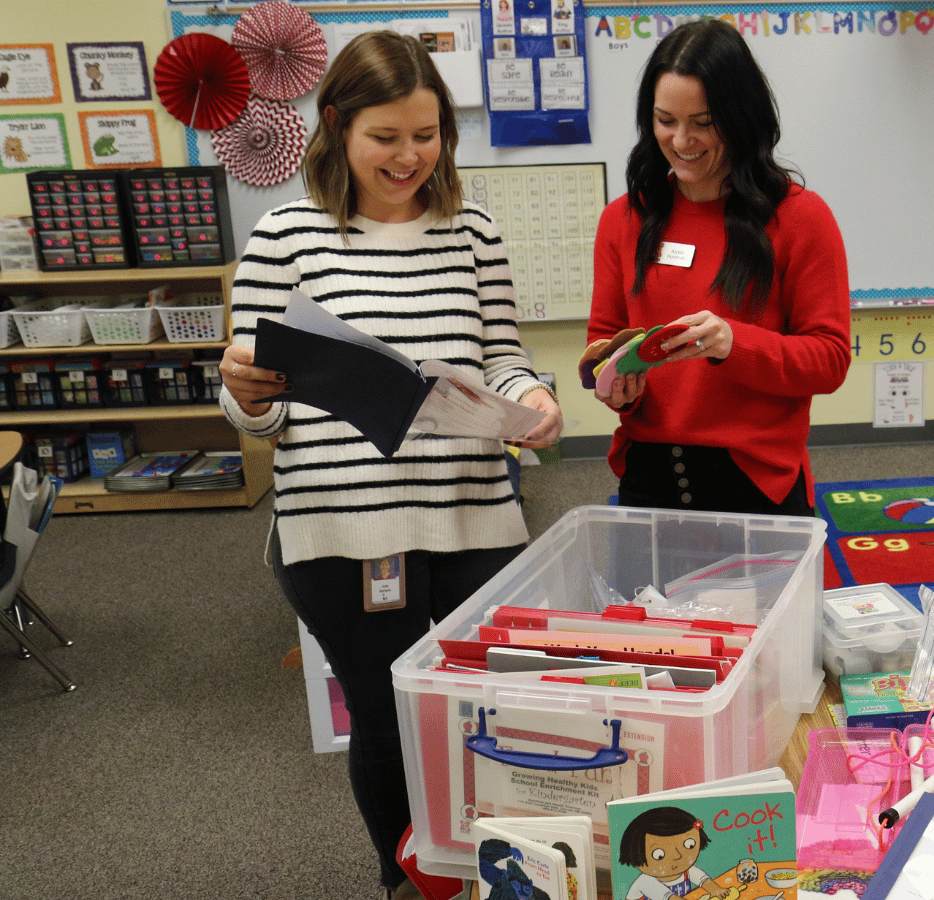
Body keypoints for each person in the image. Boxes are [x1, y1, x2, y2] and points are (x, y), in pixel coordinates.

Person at [217, 31, 562, 900]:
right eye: (386, 137)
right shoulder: (285, 238)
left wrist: (535, 399)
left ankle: (494, 872)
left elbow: (505, 358)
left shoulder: (473, 232)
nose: (410, 156)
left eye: (427, 133)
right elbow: (255, 408)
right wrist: (246, 391)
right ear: (337, 126)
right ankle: (408, 880)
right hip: (340, 534)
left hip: (473, 519)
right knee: (388, 721)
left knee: (484, 716)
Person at [588, 18, 850, 517]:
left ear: (740, 117)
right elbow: (604, 339)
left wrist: (736, 343)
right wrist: (615, 384)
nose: (681, 140)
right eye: (665, 120)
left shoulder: (800, 217)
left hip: (756, 481)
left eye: (703, 123)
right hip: (649, 474)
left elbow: (831, 359)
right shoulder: (624, 218)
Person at [617, 806, 735, 900]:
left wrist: (715, 889)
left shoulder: (685, 871)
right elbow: (669, 897)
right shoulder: (645, 881)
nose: (677, 856)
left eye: (689, 845)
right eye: (659, 855)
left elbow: (703, 879)